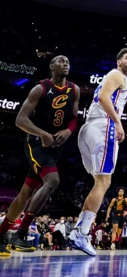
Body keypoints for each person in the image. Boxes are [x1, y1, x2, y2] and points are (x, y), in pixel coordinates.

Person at [0, 55, 80, 257]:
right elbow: (20, 119)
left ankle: (1, 235)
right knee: (52, 180)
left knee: (25, 195)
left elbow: (73, 119)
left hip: (56, 146)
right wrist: (42, 133)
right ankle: (21, 232)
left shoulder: (74, 89)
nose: (65, 64)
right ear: (52, 66)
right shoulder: (40, 88)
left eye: (67, 61)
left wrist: (69, 131)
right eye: (61, 61)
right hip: (36, 143)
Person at [68, 48, 127, 256]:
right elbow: (104, 99)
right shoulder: (117, 75)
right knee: (104, 182)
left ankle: (78, 230)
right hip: (103, 126)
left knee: (99, 182)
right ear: (118, 62)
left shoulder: (114, 77)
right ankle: (83, 233)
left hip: (90, 127)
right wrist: (118, 122)